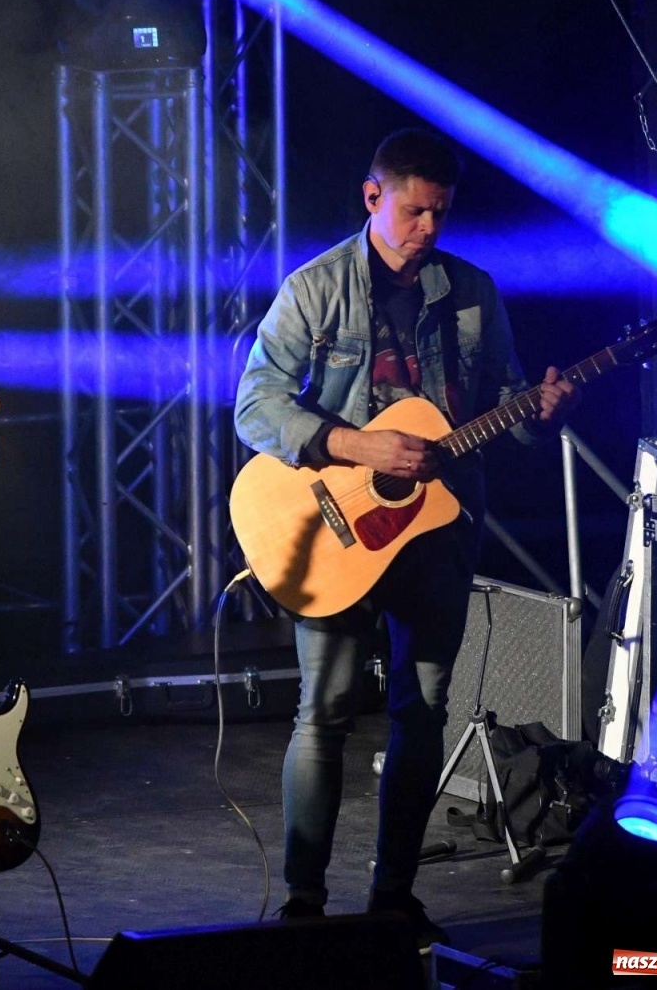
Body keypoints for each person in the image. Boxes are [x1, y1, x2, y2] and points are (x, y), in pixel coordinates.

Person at [233, 128, 579, 948]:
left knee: (421, 713)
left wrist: (541, 411)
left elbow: (503, 402)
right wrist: (356, 445)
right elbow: (255, 405)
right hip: (335, 532)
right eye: (415, 211)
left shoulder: (471, 292)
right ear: (372, 196)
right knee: (321, 712)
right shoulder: (314, 290)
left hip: (435, 532)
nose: (428, 229)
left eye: (441, 214)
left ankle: (393, 895)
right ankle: (304, 903)